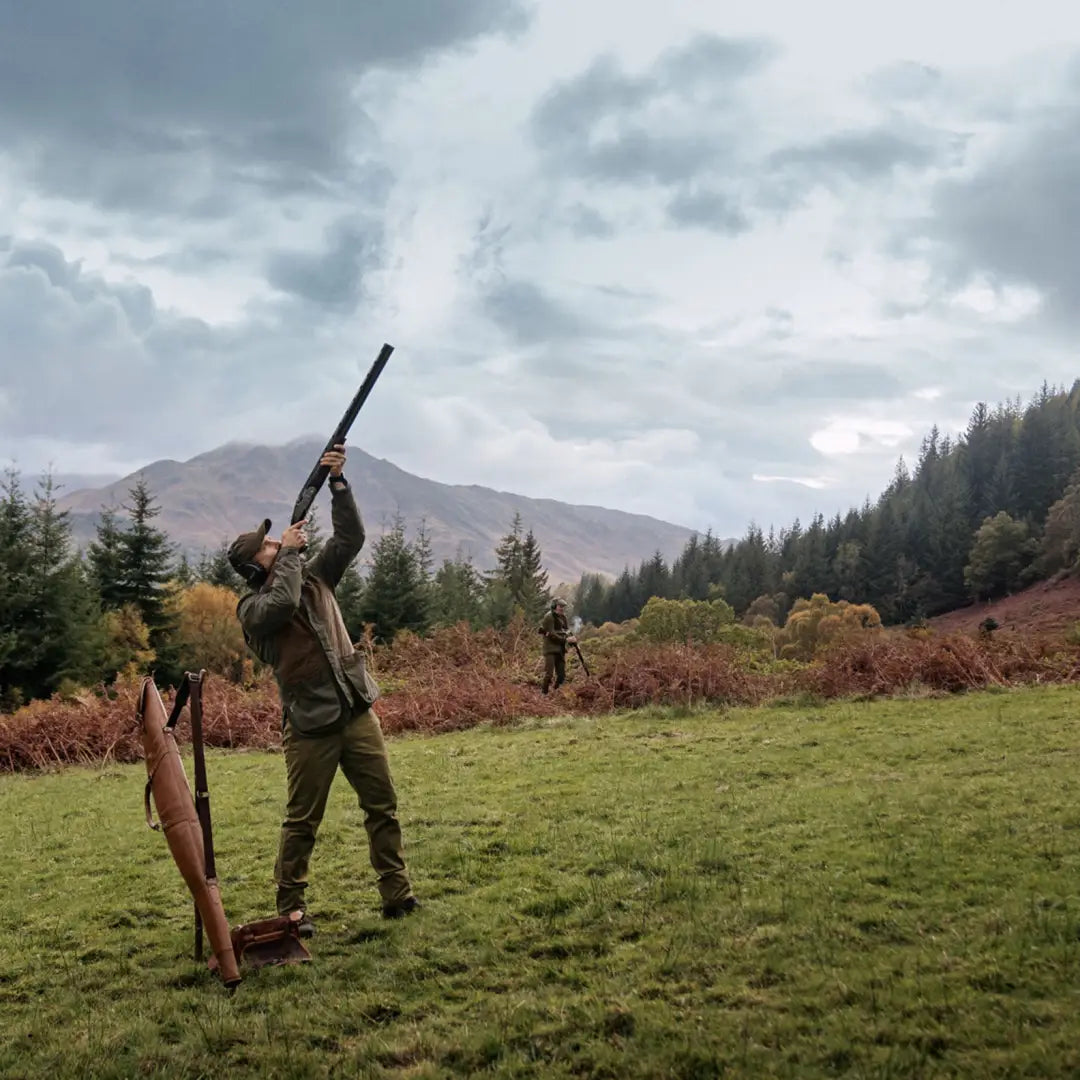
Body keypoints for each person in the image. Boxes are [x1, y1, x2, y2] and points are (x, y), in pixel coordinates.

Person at [228, 443, 416, 933]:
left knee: (383, 806)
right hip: (310, 727)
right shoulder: (252, 612)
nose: (280, 542)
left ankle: (397, 895)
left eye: (276, 541)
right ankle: (291, 909)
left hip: (356, 712)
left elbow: (351, 538)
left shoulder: (314, 575)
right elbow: (283, 602)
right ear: (256, 567)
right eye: (269, 546)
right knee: (302, 823)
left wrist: (337, 484)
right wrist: (289, 555)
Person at [539, 596, 576, 694]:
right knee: (549, 674)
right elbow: (552, 635)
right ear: (554, 606)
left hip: (560, 649)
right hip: (550, 649)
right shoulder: (549, 617)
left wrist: (572, 639)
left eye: (563, 606)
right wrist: (566, 639)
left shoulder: (563, 617)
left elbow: (566, 630)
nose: (562, 608)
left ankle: (555, 692)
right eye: (560, 606)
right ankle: (544, 694)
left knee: (561, 675)